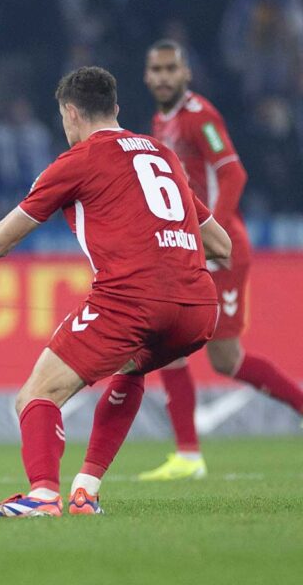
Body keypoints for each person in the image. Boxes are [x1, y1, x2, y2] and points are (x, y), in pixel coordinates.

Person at [0, 66, 231, 517]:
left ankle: (42, 495)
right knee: (132, 369)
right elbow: (222, 246)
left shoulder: (77, 161)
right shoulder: (162, 155)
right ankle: (85, 491)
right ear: (115, 108)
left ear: (71, 113)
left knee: (35, 395)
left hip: (131, 301)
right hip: (199, 308)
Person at [139, 40, 303, 481]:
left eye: (172, 68)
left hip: (220, 251)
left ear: (187, 72)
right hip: (191, 250)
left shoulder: (201, 117)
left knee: (225, 360)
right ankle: (187, 455)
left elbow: (233, 172)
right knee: (168, 345)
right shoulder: (161, 120)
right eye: (156, 69)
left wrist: (216, 232)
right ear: (146, 76)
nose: (164, 77)